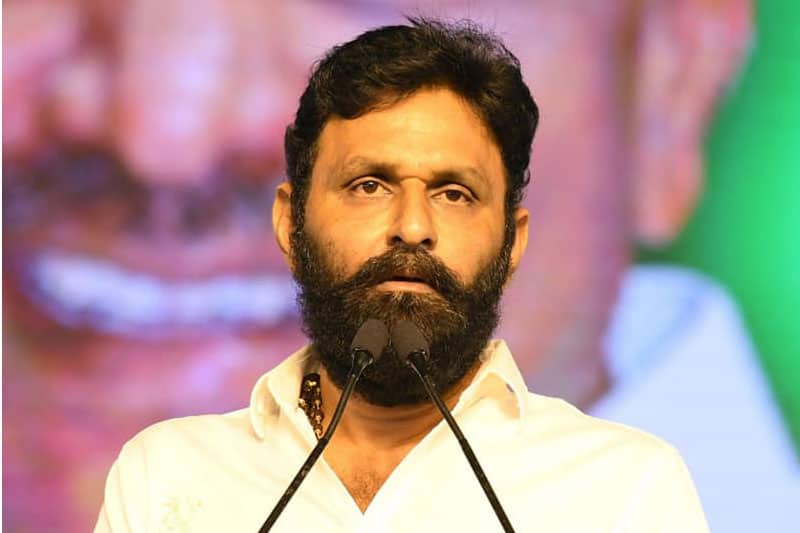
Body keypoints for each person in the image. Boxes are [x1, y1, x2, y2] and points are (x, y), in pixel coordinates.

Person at [94, 18, 708, 532]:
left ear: (512, 242)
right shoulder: (168, 475)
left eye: (454, 193)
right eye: (369, 185)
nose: (412, 226)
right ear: (290, 222)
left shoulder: (624, 489)